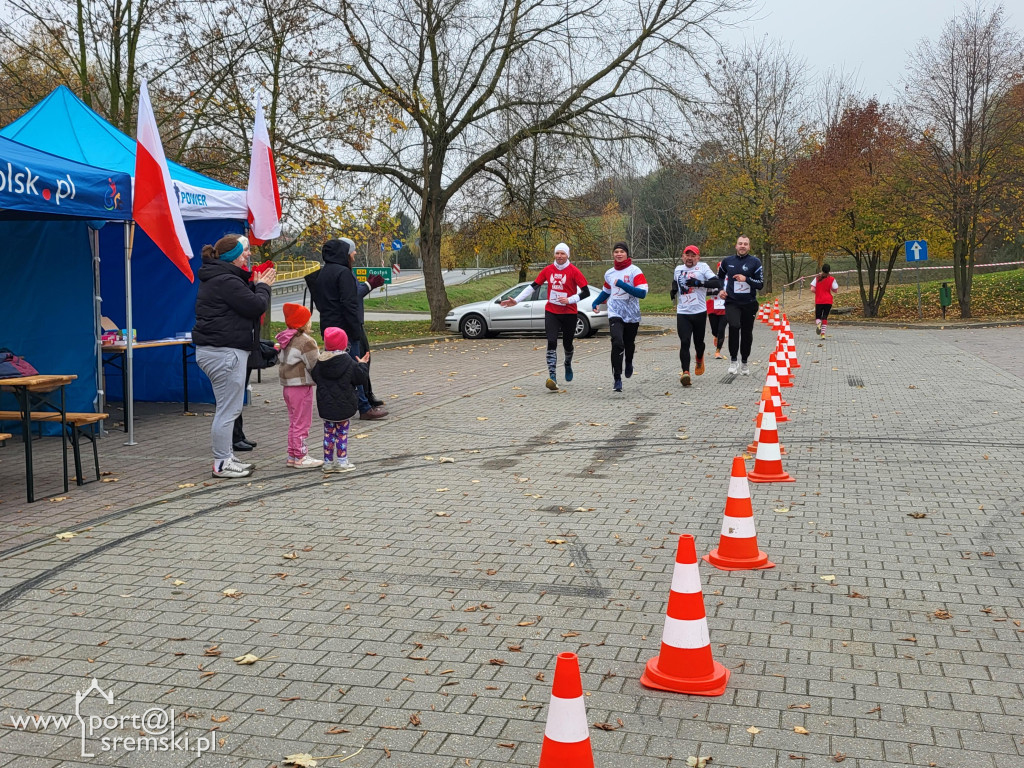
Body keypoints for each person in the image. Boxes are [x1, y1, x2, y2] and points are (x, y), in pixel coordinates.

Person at [192, 234, 275, 478]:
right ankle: (221, 462)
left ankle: (226, 456)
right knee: (228, 410)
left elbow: (245, 301)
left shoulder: (221, 278)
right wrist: (263, 287)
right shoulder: (225, 280)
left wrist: (256, 286)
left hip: (220, 351)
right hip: (225, 353)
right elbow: (255, 305)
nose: (249, 255)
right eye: (245, 252)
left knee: (229, 409)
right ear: (233, 257)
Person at [304, 238, 388, 419]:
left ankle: (336, 405)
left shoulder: (322, 273)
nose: (355, 254)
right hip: (345, 330)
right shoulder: (344, 273)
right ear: (344, 253)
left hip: (328, 327)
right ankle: (364, 407)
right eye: (352, 251)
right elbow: (349, 304)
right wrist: (355, 330)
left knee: (334, 367)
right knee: (354, 367)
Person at [500, 243, 589, 390]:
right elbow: (533, 286)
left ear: (568, 255)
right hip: (552, 312)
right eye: (557, 253)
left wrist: (570, 299)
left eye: (562, 254)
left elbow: (586, 292)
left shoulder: (574, 271)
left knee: (568, 344)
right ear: (554, 254)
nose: (559, 256)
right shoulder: (548, 270)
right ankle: (552, 376)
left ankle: (567, 363)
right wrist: (516, 300)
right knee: (551, 341)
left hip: (569, 312)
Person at [311, 327, 370, 474]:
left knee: (328, 434)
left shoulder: (320, 362)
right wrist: (362, 364)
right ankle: (342, 461)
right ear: (344, 344)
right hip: (344, 405)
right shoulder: (348, 362)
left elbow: (315, 376)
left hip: (326, 406)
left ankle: (328, 462)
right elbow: (359, 378)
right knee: (342, 433)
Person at [592, 241, 648, 392]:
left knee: (629, 343)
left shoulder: (635, 271)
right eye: (616, 251)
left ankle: (628, 361)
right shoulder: (609, 273)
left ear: (627, 254)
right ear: (613, 254)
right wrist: (596, 302)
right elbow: (606, 291)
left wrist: (623, 284)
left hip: (631, 313)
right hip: (615, 312)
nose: (618, 254)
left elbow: (642, 293)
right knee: (617, 343)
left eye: (621, 251)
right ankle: (617, 378)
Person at [275, 303, 323, 469]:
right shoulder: (306, 342)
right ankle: (301, 456)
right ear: (304, 323)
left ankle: (293, 454)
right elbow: (314, 364)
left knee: (294, 421)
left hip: (287, 386)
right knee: (302, 422)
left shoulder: (286, 339)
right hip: (301, 385)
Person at [670, 245, 720, 386]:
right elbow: (675, 281)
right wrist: (674, 289)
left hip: (699, 312)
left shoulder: (703, 267)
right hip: (683, 312)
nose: (690, 258)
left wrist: (698, 282)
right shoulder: (678, 269)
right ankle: (686, 373)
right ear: (683, 257)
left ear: (698, 258)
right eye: (687, 255)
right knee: (685, 342)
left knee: (699, 343)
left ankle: (699, 357)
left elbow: (716, 282)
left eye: (693, 256)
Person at [717, 235, 764, 375]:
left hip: (749, 303)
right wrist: (721, 289)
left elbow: (760, 284)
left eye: (745, 244)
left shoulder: (755, 262)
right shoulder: (727, 261)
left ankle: (744, 361)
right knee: (734, 326)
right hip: (732, 302)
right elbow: (719, 276)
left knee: (746, 333)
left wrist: (746, 279)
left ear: (749, 247)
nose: (742, 246)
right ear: (736, 246)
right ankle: (733, 360)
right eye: (740, 243)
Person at [810, 263, 838, 336]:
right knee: (825, 316)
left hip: (819, 300)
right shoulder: (832, 279)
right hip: (828, 301)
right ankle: (823, 334)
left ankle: (819, 324)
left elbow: (812, 289)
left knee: (818, 317)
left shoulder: (817, 278)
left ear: (822, 269)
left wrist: (818, 292)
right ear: (829, 270)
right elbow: (835, 289)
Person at [707, 260, 727, 358]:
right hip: (713, 305)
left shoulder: (730, 280)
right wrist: (716, 291)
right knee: (715, 329)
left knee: (721, 330)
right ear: (717, 269)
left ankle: (718, 351)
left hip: (725, 307)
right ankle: (715, 335)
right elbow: (706, 291)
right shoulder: (713, 279)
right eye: (720, 268)